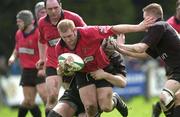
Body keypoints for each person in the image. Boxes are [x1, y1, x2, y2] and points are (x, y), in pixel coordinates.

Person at [53, 18, 154, 117]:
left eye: (69, 36)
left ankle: (115, 100)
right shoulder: (59, 47)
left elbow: (114, 29)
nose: (67, 40)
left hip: (102, 69)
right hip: (83, 73)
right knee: (90, 107)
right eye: (64, 37)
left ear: (75, 30)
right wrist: (62, 70)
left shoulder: (89, 32)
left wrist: (138, 27)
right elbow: (66, 71)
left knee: (105, 106)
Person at [112, 3, 180, 117]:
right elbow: (145, 55)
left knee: (171, 97)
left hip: (177, 69)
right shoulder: (159, 31)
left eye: (144, 19)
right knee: (166, 98)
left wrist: (120, 45)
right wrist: (121, 50)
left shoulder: (158, 26)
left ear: (151, 18)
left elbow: (140, 48)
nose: (141, 24)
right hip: (177, 70)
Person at [48, 36, 128, 117]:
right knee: (53, 115)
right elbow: (66, 74)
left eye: (108, 53)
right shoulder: (85, 52)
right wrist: (63, 69)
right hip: (75, 92)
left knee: (103, 107)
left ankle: (115, 100)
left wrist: (105, 75)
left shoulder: (115, 58)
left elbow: (122, 83)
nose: (103, 57)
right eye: (102, 52)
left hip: (94, 101)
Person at [35, 0, 87, 116]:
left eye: (56, 8)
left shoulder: (74, 18)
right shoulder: (42, 22)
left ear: (61, 6)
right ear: (45, 9)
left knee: (80, 101)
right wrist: (42, 58)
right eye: (50, 9)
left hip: (74, 64)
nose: (53, 11)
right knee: (52, 96)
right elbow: (41, 41)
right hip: (53, 62)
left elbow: (88, 35)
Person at [8, 10, 47, 117]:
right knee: (28, 101)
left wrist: (43, 68)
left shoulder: (38, 33)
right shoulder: (18, 33)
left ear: (27, 22)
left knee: (45, 97)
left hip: (39, 69)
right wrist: (13, 57)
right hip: (26, 71)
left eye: (19, 21)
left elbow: (45, 50)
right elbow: (17, 48)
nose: (17, 23)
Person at [152, 2, 180, 117]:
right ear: (177, 10)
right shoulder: (168, 24)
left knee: (176, 96)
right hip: (172, 64)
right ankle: (159, 106)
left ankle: (158, 106)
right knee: (173, 96)